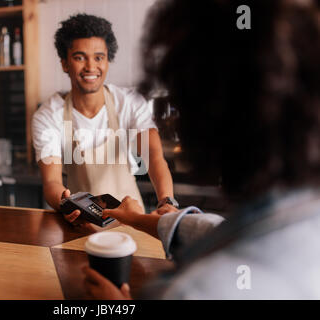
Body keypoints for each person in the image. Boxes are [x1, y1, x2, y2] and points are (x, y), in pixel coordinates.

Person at [83, 0, 320, 299]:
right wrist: (139, 218)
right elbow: (222, 232)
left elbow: (155, 155)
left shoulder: (191, 292)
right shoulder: (303, 217)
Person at [32, 14, 179, 224]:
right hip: (83, 225)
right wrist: (65, 204)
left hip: (134, 223)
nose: (91, 67)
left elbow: (154, 156)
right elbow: (51, 181)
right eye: (80, 57)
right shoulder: (48, 115)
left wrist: (166, 201)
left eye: (99, 57)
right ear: (65, 63)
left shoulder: (129, 103)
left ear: (108, 60)